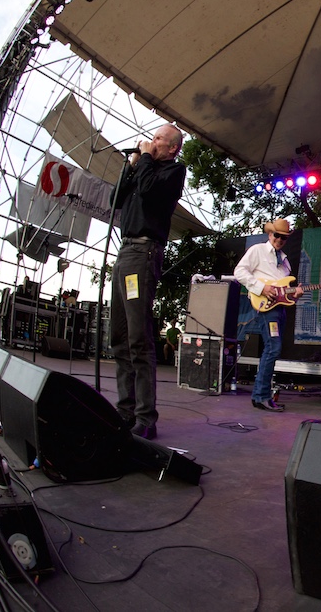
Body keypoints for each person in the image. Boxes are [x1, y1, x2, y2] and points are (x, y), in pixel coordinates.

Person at [110, 124, 186, 440]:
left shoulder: (172, 172)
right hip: (125, 250)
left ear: (171, 148)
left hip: (143, 252)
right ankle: (125, 409)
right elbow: (116, 200)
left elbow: (149, 191)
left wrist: (142, 160)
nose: (151, 143)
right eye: (151, 138)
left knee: (139, 337)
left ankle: (146, 417)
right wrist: (129, 167)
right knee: (119, 336)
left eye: (157, 140)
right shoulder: (141, 168)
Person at [234, 218, 302, 412]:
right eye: (277, 235)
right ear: (270, 234)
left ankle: (260, 395)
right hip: (266, 307)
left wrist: (295, 294)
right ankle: (261, 396)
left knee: (273, 349)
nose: (279, 240)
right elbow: (239, 272)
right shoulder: (258, 251)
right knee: (273, 348)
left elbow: (285, 295)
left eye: (284, 237)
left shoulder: (285, 262)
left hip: (278, 309)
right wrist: (262, 287)